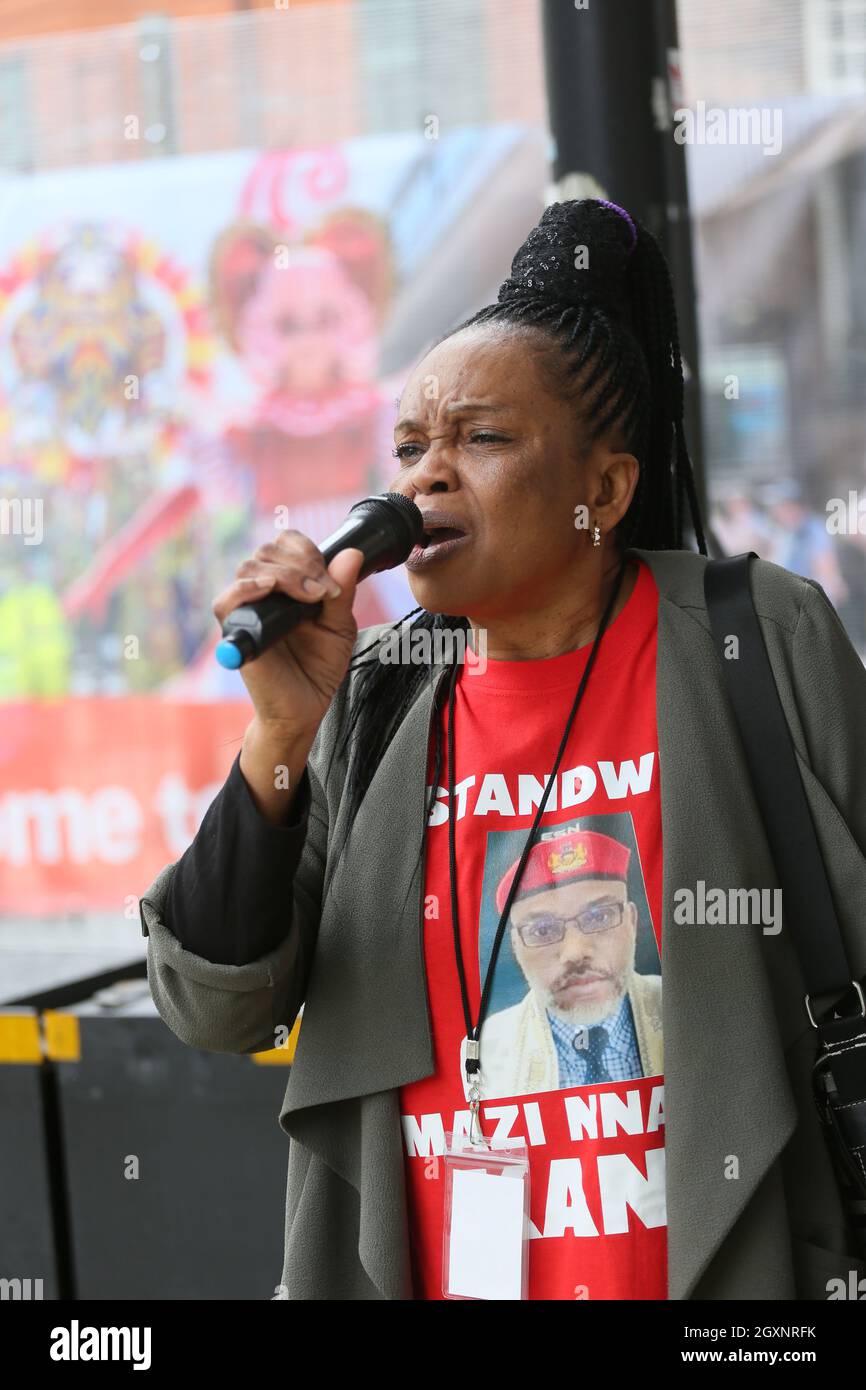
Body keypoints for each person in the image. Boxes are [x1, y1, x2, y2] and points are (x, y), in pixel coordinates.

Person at [139, 198, 866, 1301]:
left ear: (604, 488)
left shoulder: (751, 636)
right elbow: (216, 1006)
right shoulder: (374, 693)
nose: (424, 478)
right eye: (409, 448)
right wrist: (280, 732)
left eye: (479, 439)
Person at [478, 826, 662, 1102]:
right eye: (542, 930)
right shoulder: (489, 1048)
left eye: (600, 917)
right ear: (515, 946)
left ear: (632, 923)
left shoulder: (686, 1008)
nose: (575, 953)